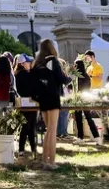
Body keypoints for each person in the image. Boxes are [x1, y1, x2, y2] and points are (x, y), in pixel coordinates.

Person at [30, 39, 70, 170]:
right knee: (52, 130)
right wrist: (70, 77)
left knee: (48, 130)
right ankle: (51, 162)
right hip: (53, 97)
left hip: (42, 98)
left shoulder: (37, 63)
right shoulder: (53, 61)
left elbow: (34, 81)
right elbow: (62, 79)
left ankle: (44, 160)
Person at [73, 60, 102, 145]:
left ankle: (82, 138)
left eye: (75, 65)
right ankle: (91, 137)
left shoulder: (79, 76)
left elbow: (80, 88)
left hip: (81, 99)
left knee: (82, 119)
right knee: (86, 118)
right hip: (84, 99)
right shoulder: (86, 76)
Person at [14, 54, 37, 158]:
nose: (30, 64)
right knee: (28, 127)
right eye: (28, 62)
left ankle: (29, 149)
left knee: (28, 126)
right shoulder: (24, 74)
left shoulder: (18, 74)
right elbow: (32, 87)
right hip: (29, 103)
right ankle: (24, 149)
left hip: (25, 102)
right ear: (22, 64)